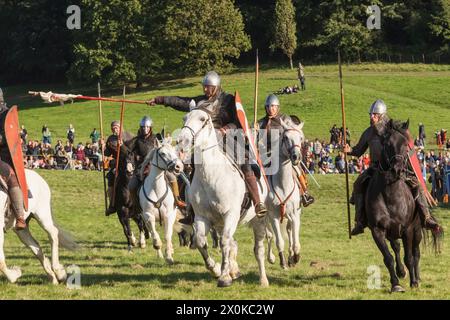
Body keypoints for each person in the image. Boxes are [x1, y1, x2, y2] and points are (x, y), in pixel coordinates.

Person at [146, 71, 267, 218]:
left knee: (245, 163)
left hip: (227, 138)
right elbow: (180, 101)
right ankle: (191, 210)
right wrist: (159, 100)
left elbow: (238, 122)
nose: (205, 90)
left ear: (216, 87)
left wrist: (224, 129)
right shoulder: (200, 102)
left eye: (208, 87)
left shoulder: (228, 100)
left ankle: (257, 202)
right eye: (204, 87)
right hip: (205, 141)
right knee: (189, 169)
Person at [343, 99, 441, 235]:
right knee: (358, 184)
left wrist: (411, 153)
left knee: (415, 184)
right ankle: (360, 221)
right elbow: (358, 151)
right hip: (375, 169)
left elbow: (406, 148)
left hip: (395, 168)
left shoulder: (392, 131)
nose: (372, 117)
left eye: (375, 114)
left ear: (382, 116)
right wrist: (349, 150)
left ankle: (426, 218)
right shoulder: (368, 133)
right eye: (371, 114)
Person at [257, 94, 315, 207]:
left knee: (296, 170)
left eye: (273, 106)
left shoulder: (285, 119)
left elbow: (294, 132)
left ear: (277, 107)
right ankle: (259, 200)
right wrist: (254, 129)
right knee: (258, 173)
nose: (271, 109)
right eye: (268, 106)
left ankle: (304, 194)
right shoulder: (261, 122)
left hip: (284, 154)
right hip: (267, 154)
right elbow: (254, 138)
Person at [127, 116, 186, 210]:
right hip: (143, 167)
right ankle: (136, 208)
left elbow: (166, 149)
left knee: (173, 178)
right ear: (140, 128)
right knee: (132, 185)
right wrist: (129, 161)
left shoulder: (156, 138)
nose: (145, 129)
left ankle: (178, 201)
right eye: (143, 127)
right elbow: (128, 152)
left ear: (150, 128)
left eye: (147, 127)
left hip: (160, 166)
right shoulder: (136, 141)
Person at [0, 87, 27, 229]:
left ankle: (20, 216)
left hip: (4, 155)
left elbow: (9, 136)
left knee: (10, 177)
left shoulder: (6, 114)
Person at [103, 121, 133, 216]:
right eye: (113, 128)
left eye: (116, 128)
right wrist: (103, 146)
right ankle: (112, 204)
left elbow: (130, 152)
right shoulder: (110, 139)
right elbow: (108, 153)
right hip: (117, 163)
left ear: (120, 127)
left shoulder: (129, 136)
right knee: (111, 178)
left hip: (129, 161)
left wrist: (122, 146)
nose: (115, 130)